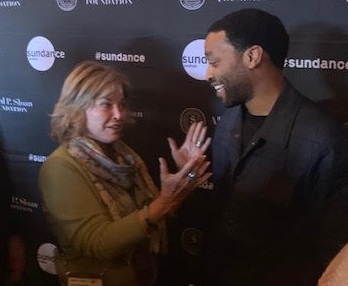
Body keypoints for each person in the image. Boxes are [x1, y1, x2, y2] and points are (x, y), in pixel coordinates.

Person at [201, 8, 348, 286]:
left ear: (253, 56)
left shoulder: (323, 138)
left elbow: (334, 243)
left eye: (215, 61)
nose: (208, 73)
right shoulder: (228, 121)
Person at [39, 60, 212, 286]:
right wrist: (163, 202)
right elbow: (99, 244)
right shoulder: (60, 168)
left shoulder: (123, 157)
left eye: (121, 104)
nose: (119, 114)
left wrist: (184, 176)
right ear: (77, 108)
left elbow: (153, 217)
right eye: (106, 104)